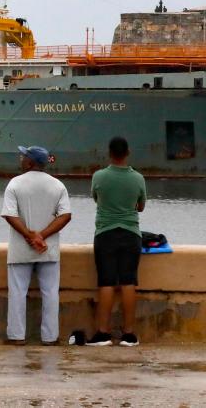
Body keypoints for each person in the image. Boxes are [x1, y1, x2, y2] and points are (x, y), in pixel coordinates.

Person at [1, 145, 71, 345]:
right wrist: (42, 236)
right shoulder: (58, 185)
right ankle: (50, 337)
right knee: (50, 293)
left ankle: (16, 336)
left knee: (17, 292)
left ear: (30, 162)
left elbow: (10, 214)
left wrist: (29, 236)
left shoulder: (14, 184)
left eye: (23, 157)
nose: (20, 159)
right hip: (48, 250)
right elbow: (66, 215)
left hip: (20, 250)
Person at [86, 136, 146, 346]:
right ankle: (129, 334)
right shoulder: (138, 178)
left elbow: (96, 199)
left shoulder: (99, 176)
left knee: (106, 282)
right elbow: (140, 207)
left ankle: (103, 333)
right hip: (131, 233)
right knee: (129, 281)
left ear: (109, 153)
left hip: (105, 233)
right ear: (127, 152)